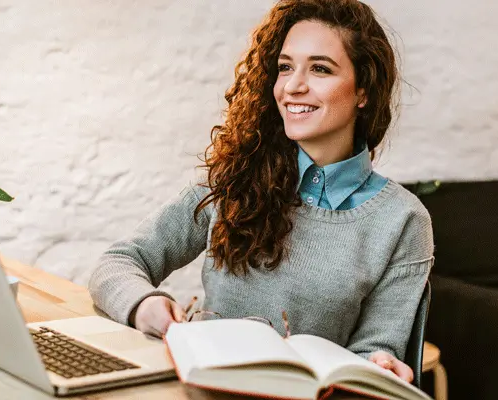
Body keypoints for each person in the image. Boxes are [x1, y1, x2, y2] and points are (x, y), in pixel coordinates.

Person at [88, 0, 434, 383]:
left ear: (363, 91)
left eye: (320, 69)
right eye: (285, 67)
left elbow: (376, 349)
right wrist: (143, 304)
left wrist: (379, 364)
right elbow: (119, 261)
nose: (293, 86)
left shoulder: (403, 220)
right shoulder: (232, 180)